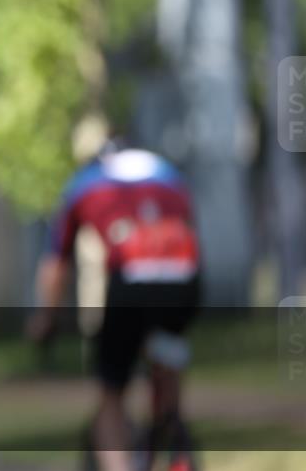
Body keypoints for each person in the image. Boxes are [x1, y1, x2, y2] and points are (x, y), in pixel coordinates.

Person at [28, 140, 200, 471]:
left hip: (131, 281)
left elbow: (56, 264)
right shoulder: (170, 175)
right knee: (167, 368)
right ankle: (176, 442)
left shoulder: (85, 181)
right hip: (184, 280)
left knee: (111, 393)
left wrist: (46, 318)